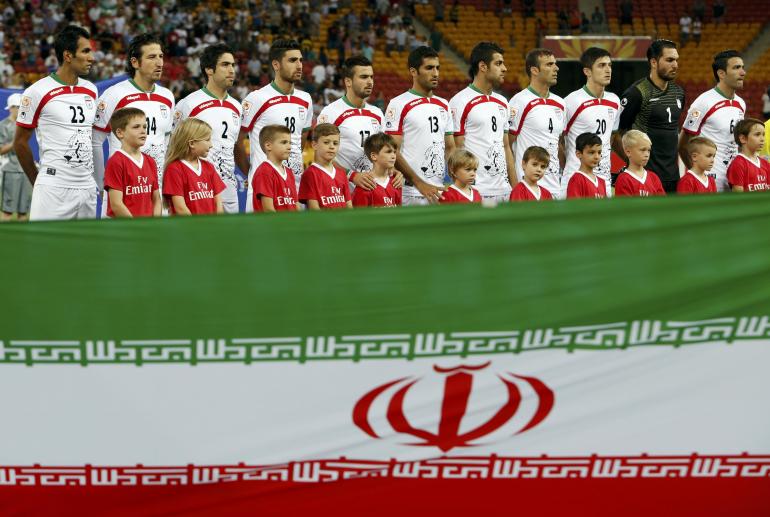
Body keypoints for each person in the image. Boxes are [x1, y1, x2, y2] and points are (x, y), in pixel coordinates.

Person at [14, 25, 98, 221]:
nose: (91, 58)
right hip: (53, 188)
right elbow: (20, 143)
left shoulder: (91, 90)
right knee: (44, 242)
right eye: (85, 51)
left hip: (87, 188)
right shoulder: (37, 91)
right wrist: (38, 181)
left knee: (86, 243)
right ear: (68, 55)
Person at [93, 33, 175, 210]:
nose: (159, 63)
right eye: (152, 57)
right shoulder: (115, 94)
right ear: (135, 62)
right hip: (123, 190)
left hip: (156, 191)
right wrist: (100, 183)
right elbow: (95, 140)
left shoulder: (167, 96)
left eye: (161, 56)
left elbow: (167, 143)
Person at [239, 39, 313, 211]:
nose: (299, 65)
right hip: (265, 190)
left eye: (300, 60)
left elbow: (301, 139)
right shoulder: (257, 98)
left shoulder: (305, 99)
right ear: (276, 65)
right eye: (292, 60)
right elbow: (237, 140)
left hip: (294, 187)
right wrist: (251, 173)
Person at [174, 44, 244, 214]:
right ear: (209, 70)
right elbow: (174, 147)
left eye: (233, 65)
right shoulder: (189, 104)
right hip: (200, 190)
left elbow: (234, 146)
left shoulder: (237, 106)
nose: (232, 70)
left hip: (229, 189)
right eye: (225, 65)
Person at [318, 56, 400, 193]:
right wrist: (352, 176)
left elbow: (383, 152)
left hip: (372, 192)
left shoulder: (377, 113)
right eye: (363, 77)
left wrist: (393, 169)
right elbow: (320, 156)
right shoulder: (330, 113)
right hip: (341, 193)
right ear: (348, 81)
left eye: (371, 77)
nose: (370, 82)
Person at [385, 46, 454, 205]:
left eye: (437, 68)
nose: (435, 73)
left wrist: (452, 181)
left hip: (438, 191)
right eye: (429, 68)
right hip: (410, 191)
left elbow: (450, 147)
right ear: (413, 71)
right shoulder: (398, 104)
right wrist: (419, 183)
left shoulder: (444, 104)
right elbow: (391, 150)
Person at [615, 39, 685, 193]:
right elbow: (617, 135)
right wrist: (633, 164)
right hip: (647, 178)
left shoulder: (679, 93)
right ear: (653, 62)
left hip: (673, 176)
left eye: (676, 60)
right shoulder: (637, 93)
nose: (675, 65)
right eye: (669, 60)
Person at [450, 42, 515, 203]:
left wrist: (515, 187)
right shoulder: (460, 101)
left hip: (504, 190)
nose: (504, 68)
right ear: (483, 67)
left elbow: (506, 147)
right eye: (498, 63)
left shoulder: (503, 102)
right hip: (477, 190)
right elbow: (456, 150)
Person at [680, 50, 746, 192]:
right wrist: (698, 175)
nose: (743, 72)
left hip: (734, 182)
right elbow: (683, 144)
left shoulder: (741, 103)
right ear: (721, 73)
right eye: (736, 68)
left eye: (742, 67)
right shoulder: (703, 102)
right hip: (710, 183)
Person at [562, 47, 620, 198]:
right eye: (601, 65)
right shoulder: (572, 101)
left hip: (603, 180)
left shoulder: (614, 100)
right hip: (576, 178)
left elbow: (611, 137)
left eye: (609, 65)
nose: (608, 70)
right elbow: (559, 139)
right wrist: (569, 164)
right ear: (587, 71)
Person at [509, 48, 565, 198]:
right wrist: (515, 186)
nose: (556, 68)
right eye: (549, 64)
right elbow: (506, 145)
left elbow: (558, 143)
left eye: (555, 64)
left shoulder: (560, 103)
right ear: (534, 70)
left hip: (555, 188)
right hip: (528, 189)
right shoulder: (519, 102)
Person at [103, 107, 161, 218]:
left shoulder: (150, 161)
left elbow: (156, 199)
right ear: (120, 133)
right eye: (136, 127)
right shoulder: (116, 161)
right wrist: (136, 226)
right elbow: (116, 204)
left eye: (144, 127)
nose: (143, 131)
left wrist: (155, 224)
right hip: (127, 227)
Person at [162, 118, 225, 215]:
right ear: (192, 143)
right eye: (207, 140)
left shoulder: (209, 167)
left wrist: (217, 223)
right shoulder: (174, 169)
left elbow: (218, 203)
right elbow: (180, 208)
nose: (211, 145)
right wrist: (196, 225)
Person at [299, 122, 352, 209]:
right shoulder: (310, 174)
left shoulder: (342, 174)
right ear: (314, 145)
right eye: (326, 142)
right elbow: (314, 209)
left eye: (335, 143)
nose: (332, 147)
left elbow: (349, 207)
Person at [251, 124, 298, 212]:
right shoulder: (264, 172)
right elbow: (268, 210)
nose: (289, 147)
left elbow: (296, 204)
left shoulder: (289, 172)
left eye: (290, 143)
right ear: (268, 146)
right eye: (284, 142)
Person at [0, 94, 31, 221]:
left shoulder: (25, 125)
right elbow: (1, 150)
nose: (22, 110)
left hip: (25, 171)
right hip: (10, 170)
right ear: (11, 108)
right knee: (8, 211)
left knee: (23, 212)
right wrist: (16, 142)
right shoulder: (3, 125)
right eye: (19, 107)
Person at [352, 133, 401, 207]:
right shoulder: (364, 185)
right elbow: (358, 214)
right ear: (374, 156)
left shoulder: (396, 182)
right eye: (388, 152)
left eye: (394, 152)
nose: (393, 156)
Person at [614, 130, 665, 196]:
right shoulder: (623, 179)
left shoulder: (654, 178)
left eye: (648, 150)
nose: (647, 154)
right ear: (628, 152)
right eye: (642, 150)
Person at [726, 118, 769, 192]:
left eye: (763, 135)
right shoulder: (738, 164)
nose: (762, 139)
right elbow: (738, 197)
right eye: (757, 134)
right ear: (743, 138)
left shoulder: (765, 163)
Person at [566, 132, 606, 198]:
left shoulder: (602, 182)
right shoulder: (576, 180)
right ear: (578, 154)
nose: (597, 157)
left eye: (599, 152)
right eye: (591, 152)